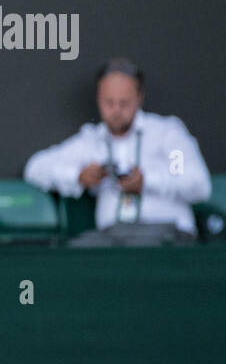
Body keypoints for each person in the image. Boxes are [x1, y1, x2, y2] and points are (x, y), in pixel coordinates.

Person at [24, 58, 211, 246]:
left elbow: (196, 183)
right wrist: (79, 176)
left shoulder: (166, 135)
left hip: (166, 233)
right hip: (112, 238)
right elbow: (36, 168)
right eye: (109, 102)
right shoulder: (91, 142)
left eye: (124, 103)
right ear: (98, 98)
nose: (116, 110)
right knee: (75, 256)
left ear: (139, 98)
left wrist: (147, 181)